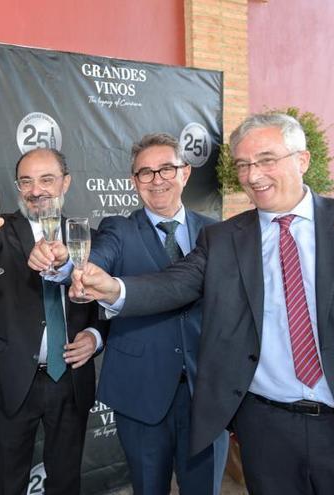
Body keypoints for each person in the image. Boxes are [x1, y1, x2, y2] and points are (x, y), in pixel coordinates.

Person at [73, 112, 334, 495]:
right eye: (243, 165)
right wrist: (112, 289)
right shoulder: (224, 239)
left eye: (266, 160)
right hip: (266, 432)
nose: (253, 175)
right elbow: (172, 285)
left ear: (302, 160)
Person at [81, 133, 227, 494]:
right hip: (141, 393)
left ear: (185, 173)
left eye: (166, 169)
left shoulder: (219, 233)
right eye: (145, 173)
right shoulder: (119, 229)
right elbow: (96, 260)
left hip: (207, 392)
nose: (157, 179)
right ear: (134, 182)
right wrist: (81, 272)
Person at [0, 148, 106, 495]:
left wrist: (95, 337)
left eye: (46, 179)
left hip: (69, 378)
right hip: (11, 378)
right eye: (26, 181)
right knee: (7, 482)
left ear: (66, 182)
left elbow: (106, 306)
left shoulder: (90, 237)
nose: (36, 190)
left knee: (66, 480)